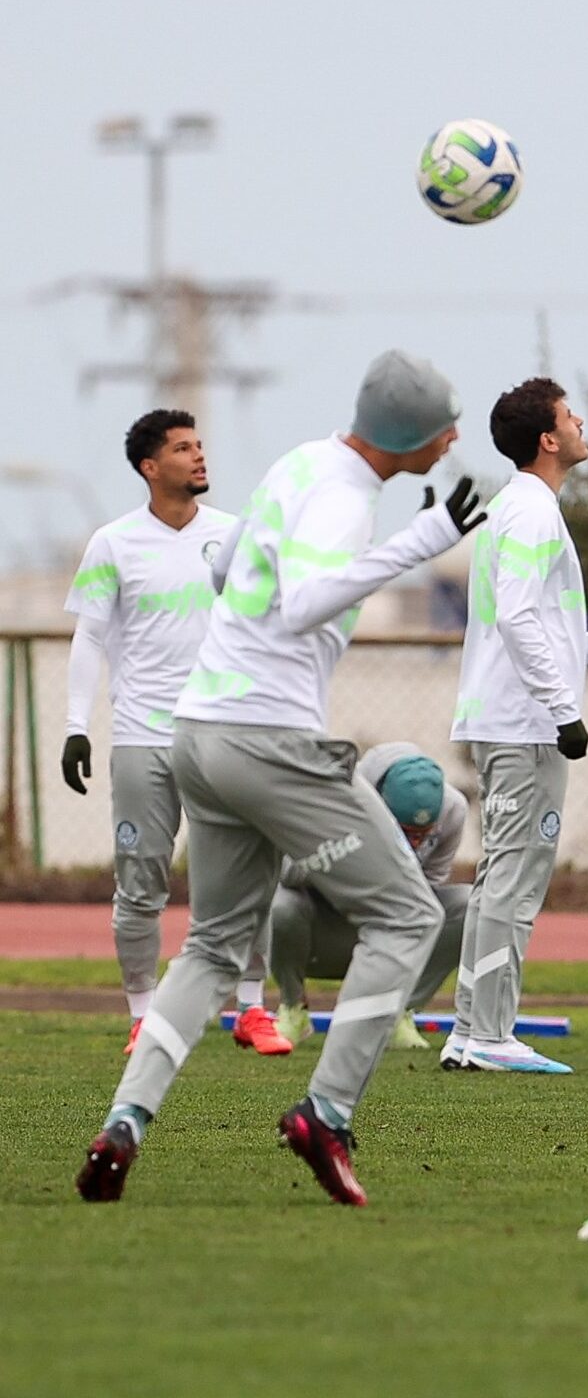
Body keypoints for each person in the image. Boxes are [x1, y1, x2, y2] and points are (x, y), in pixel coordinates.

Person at [76, 349, 489, 1208]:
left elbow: (228, 572)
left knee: (211, 945)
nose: (454, 438)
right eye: (446, 424)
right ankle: (325, 1114)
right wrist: (425, 539)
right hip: (267, 742)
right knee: (410, 913)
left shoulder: (303, 462)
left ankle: (127, 1122)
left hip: (199, 732)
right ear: (410, 431)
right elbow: (301, 603)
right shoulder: (342, 499)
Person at [61, 410, 289, 1057]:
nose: (198, 457)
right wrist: (77, 726)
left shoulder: (234, 537)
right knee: (141, 883)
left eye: (200, 445)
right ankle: (142, 1015)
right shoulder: (113, 542)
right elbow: (91, 636)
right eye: (182, 448)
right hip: (142, 738)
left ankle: (251, 1009)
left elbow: (265, 628)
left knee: (246, 880)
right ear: (149, 466)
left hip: (225, 736)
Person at [443, 377, 588, 1075]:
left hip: (506, 715)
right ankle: (490, 1035)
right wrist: (565, 712)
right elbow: (517, 615)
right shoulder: (532, 514)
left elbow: (543, 620)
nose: (582, 424)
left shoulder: (518, 509)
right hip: (524, 723)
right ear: (547, 438)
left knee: (499, 875)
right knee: (514, 877)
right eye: (570, 417)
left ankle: (469, 1030)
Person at [272, 744, 470, 1053]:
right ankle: (293, 1007)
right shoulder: (338, 800)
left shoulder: (453, 809)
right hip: (326, 926)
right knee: (281, 906)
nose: (415, 844)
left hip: (391, 925)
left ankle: (398, 1010)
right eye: (405, 833)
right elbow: (286, 873)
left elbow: (427, 888)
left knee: (468, 905)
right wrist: (342, 852)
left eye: (423, 835)